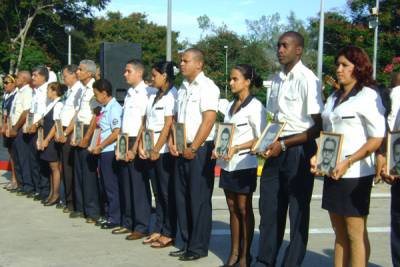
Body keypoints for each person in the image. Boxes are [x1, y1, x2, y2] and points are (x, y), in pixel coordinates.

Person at [310, 46, 385, 267]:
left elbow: (376, 138)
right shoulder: (334, 97)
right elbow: (330, 133)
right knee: (339, 232)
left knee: (355, 232)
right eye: (338, 64)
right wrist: (318, 155)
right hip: (332, 170)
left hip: (355, 173)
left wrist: (348, 161)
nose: (339, 69)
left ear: (358, 68)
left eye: (345, 65)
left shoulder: (368, 96)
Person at [255, 31, 324, 267]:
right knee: (269, 208)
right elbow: (274, 118)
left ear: (299, 50)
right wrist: (266, 143)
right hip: (275, 147)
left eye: (285, 46)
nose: (280, 50)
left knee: (297, 211)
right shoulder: (276, 79)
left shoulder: (308, 79)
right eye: (278, 46)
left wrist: (284, 144)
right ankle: (266, 259)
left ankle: (291, 262)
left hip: (299, 148)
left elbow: (317, 127)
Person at [169, 48, 220, 261]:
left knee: (198, 199)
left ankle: (198, 247)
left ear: (199, 64)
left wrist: (194, 147)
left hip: (199, 149)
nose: (181, 64)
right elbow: (176, 119)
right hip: (182, 147)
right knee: (182, 197)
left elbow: (208, 120)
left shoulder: (207, 87)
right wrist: (174, 141)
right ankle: (186, 241)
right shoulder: (182, 87)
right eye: (181, 60)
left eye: (185, 60)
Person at [214, 64, 266, 267]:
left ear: (247, 81)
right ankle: (234, 252)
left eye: (235, 79)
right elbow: (226, 132)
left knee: (244, 208)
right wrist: (219, 147)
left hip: (245, 163)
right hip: (227, 164)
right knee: (232, 207)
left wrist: (237, 147)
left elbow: (261, 138)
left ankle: (245, 255)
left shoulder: (256, 107)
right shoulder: (230, 105)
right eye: (230, 78)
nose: (231, 82)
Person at [112, 59, 155, 238]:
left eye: (128, 71)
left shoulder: (147, 92)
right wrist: (120, 145)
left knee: (138, 185)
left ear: (139, 73)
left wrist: (136, 146)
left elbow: (144, 123)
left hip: (138, 141)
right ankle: (128, 221)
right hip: (125, 139)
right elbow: (125, 121)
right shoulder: (129, 92)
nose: (125, 74)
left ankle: (141, 225)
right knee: (125, 183)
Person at [137, 61, 177, 248]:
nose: (152, 79)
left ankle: (169, 232)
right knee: (158, 193)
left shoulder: (172, 95)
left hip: (163, 153)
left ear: (165, 76)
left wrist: (156, 149)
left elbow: (168, 126)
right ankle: (159, 228)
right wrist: (144, 147)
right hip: (151, 150)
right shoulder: (155, 95)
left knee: (166, 193)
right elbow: (148, 123)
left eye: (155, 75)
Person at [89, 79, 122, 229]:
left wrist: (101, 146)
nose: (95, 97)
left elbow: (116, 132)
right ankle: (109, 214)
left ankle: (115, 217)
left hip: (109, 150)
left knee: (111, 186)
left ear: (104, 93)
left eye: (96, 94)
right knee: (104, 184)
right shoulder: (104, 108)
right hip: (102, 150)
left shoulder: (114, 108)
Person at [70, 59, 101, 223]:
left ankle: (93, 211)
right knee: (78, 170)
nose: (77, 72)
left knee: (89, 173)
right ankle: (80, 207)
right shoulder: (82, 89)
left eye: (80, 70)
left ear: (89, 73)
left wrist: (88, 137)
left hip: (89, 129)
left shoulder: (94, 88)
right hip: (79, 128)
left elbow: (96, 115)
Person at [54, 64, 82, 213]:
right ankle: (68, 198)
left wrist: (66, 133)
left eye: (65, 75)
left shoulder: (78, 90)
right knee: (64, 167)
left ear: (73, 75)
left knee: (70, 168)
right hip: (62, 130)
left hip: (70, 132)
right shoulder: (69, 91)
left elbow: (76, 115)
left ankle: (72, 201)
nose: (63, 78)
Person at [27, 66, 50, 201]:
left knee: (42, 160)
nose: (33, 78)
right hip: (32, 128)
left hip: (41, 129)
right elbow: (32, 111)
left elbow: (44, 113)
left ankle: (45, 189)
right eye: (32, 75)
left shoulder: (46, 91)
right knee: (34, 159)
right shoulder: (35, 91)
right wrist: (29, 125)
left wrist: (36, 125)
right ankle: (37, 188)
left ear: (43, 77)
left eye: (35, 75)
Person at [40, 82, 65, 206]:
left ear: (55, 91)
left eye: (49, 90)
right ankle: (51, 192)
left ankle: (56, 194)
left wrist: (47, 139)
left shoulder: (59, 104)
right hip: (46, 138)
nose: (47, 93)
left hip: (51, 140)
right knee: (51, 167)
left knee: (55, 167)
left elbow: (56, 124)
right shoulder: (51, 104)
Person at [7, 71, 32, 194]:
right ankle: (21, 184)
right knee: (16, 158)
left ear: (24, 79)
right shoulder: (19, 92)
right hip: (13, 128)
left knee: (23, 158)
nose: (15, 79)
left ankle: (27, 185)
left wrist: (16, 128)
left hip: (20, 129)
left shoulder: (27, 92)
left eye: (17, 77)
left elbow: (26, 111)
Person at [1, 75, 18, 191]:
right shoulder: (6, 96)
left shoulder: (16, 95)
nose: (5, 85)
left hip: (13, 128)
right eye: (4, 83)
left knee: (16, 154)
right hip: (6, 128)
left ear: (13, 83)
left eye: (7, 82)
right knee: (11, 154)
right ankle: (14, 178)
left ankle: (16, 180)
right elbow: (4, 113)